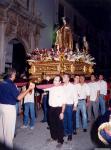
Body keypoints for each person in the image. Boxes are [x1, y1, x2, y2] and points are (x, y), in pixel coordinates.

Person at [0, 68, 35, 149]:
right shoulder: (11, 84)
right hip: (8, 109)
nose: (15, 76)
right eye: (15, 75)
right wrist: (29, 89)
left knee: (1, 130)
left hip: (1, 107)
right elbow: (18, 98)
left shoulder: (2, 83)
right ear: (12, 75)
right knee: (8, 132)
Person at [38, 75, 66, 148]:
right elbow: (40, 87)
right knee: (52, 123)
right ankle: (54, 137)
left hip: (58, 108)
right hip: (51, 108)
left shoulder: (62, 89)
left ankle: (60, 140)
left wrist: (62, 112)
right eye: (54, 80)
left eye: (57, 80)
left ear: (60, 82)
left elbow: (64, 102)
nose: (55, 82)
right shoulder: (51, 88)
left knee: (59, 125)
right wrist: (46, 80)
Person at [62, 73, 78, 141]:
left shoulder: (72, 86)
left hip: (69, 105)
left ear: (68, 78)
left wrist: (75, 106)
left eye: (64, 77)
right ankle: (65, 132)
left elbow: (75, 96)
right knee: (64, 120)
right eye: (63, 77)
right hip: (63, 106)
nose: (63, 78)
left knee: (70, 120)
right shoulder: (62, 86)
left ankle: (70, 134)